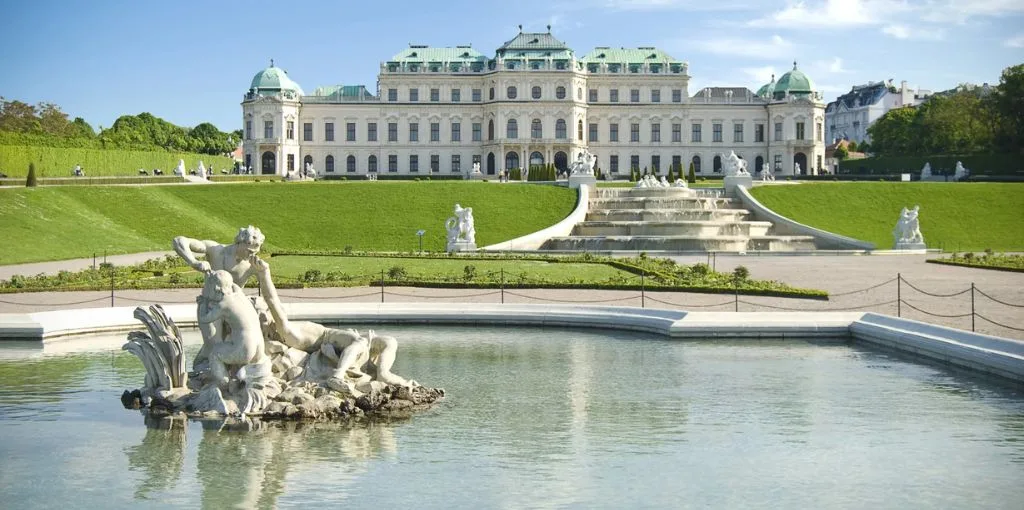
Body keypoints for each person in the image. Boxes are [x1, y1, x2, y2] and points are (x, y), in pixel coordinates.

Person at [252, 258, 417, 388]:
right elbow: (272, 301)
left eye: (265, 312)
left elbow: (273, 303)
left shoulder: (279, 325)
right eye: (261, 315)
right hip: (329, 339)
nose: (266, 315)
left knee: (389, 341)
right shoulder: (285, 330)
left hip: (335, 337)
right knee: (360, 341)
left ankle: (383, 373)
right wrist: (264, 274)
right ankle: (338, 375)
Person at [173, 226, 265, 368]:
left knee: (241, 345)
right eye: (249, 250)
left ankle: (230, 379)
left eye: (254, 252)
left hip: (235, 309)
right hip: (210, 306)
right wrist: (194, 262)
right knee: (212, 346)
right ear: (240, 242)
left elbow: (267, 289)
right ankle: (205, 376)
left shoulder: (250, 265)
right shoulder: (216, 250)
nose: (251, 255)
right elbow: (179, 241)